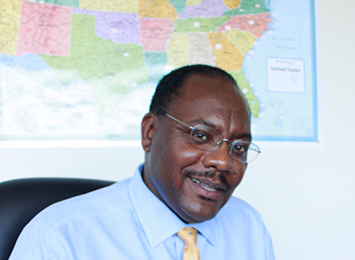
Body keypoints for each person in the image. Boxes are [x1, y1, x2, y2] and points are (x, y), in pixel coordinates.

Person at [9, 65, 275, 259]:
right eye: (201, 135)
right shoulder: (60, 237)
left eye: (239, 147)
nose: (223, 161)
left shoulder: (247, 226)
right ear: (150, 133)